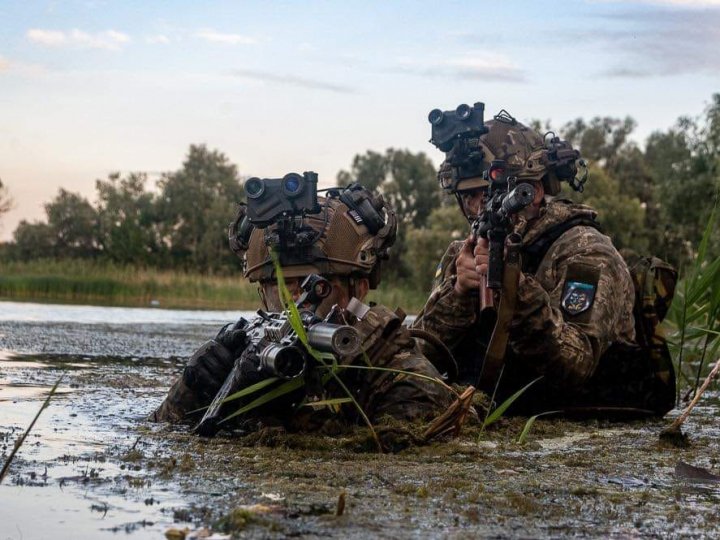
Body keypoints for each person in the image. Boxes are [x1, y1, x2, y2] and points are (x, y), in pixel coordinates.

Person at [412, 108, 675, 416]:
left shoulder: (585, 251)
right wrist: (458, 293)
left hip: (580, 428)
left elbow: (575, 364)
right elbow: (419, 358)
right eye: (468, 197)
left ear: (533, 191)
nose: (477, 208)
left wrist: (515, 289)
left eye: (488, 194)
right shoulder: (464, 254)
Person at [151, 183, 455, 430]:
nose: (293, 302)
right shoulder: (246, 356)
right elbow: (161, 437)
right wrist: (189, 392)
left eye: (315, 287)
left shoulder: (398, 372)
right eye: (282, 286)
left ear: (359, 289)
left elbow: (396, 465)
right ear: (262, 296)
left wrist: (281, 412)